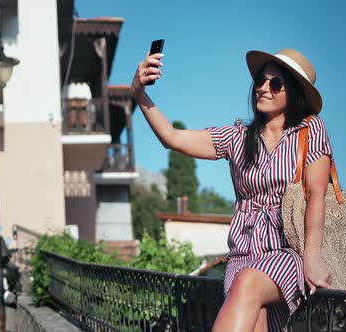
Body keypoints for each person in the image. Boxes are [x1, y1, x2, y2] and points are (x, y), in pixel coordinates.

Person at [131, 48, 334, 332]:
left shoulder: (310, 130)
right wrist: (140, 94)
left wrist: (312, 258)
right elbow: (173, 138)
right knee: (253, 314)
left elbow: (316, 195)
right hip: (242, 255)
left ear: (295, 93)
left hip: (287, 253)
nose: (263, 88)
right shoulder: (237, 138)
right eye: (261, 81)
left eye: (275, 84)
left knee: (248, 282)